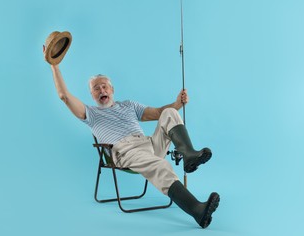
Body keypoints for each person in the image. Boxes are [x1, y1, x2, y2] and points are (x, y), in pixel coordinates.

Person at [44, 47, 220, 228]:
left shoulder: (129, 105)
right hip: (125, 151)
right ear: (92, 95)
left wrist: (176, 104)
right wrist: (54, 67)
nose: (101, 90)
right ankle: (197, 210)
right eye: (96, 88)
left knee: (168, 112)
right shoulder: (90, 113)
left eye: (104, 86)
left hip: (148, 144)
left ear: (112, 89)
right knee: (161, 165)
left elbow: (159, 113)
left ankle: (189, 156)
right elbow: (64, 96)